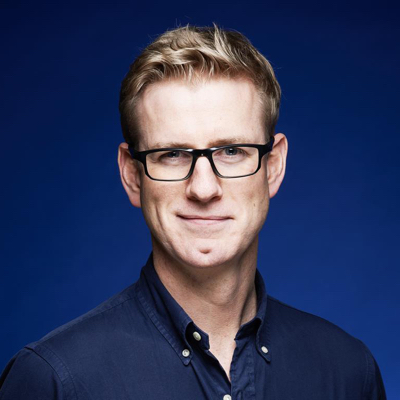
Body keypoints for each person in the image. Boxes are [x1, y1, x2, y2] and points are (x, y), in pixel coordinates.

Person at [0, 24, 386, 400]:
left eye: (232, 151)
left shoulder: (349, 372)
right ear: (132, 175)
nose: (204, 188)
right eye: (171, 154)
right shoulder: (55, 381)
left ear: (273, 167)